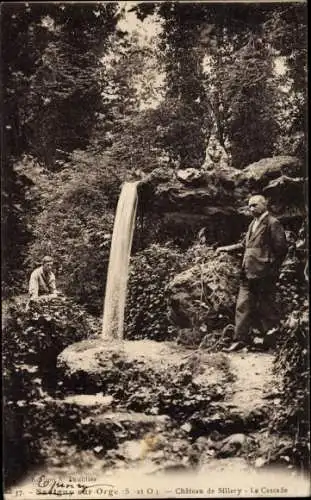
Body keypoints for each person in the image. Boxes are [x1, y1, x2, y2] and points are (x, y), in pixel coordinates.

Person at [216, 195, 288, 351]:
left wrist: (270, 268)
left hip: (264, 274)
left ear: (264, 205)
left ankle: (270, 342)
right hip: (247, 272)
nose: (251, 208)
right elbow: (245, 246)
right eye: (249, 206)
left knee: (266, 306)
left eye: (254, 205)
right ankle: (239, 340)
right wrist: (225, 248)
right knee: (242, 305)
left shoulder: (272, 223)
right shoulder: (252, 224)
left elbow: (281, 249)